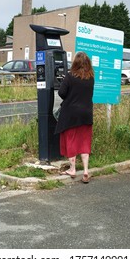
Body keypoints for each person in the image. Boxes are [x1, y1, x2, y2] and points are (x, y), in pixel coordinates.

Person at [55, 51, 94, 183]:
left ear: (75, 63)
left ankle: (72, 169)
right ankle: (86, 171)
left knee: (71, 140)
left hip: (71, 114)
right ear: (87, 63)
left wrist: (69, 97)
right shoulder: (91, 78)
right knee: (84, 141)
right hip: (86, 113)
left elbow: (61, 92)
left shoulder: (70, 76)